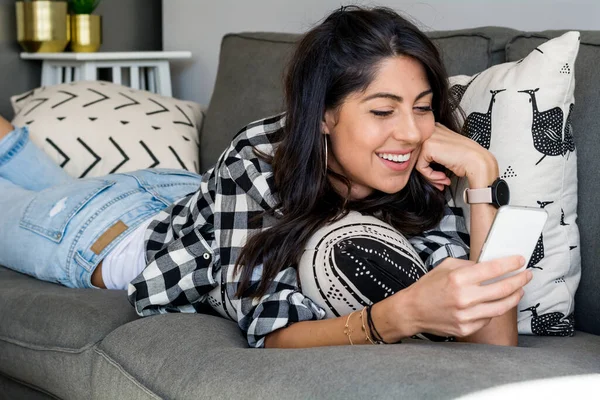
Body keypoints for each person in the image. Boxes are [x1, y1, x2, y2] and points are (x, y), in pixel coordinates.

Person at [0, 5, 532, 349]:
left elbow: (496, 347)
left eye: (422, 108)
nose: (412, 133)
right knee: (38, 190)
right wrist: (396, 317)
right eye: (382, 111)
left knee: (23, 160)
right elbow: (271, 333)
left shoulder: (427, 174)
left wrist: (483, 180)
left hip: (188, 193)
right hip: (99, 232)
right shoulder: (260, 153)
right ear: (324, 112)